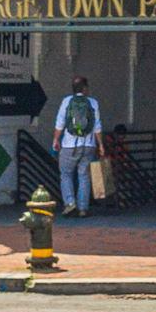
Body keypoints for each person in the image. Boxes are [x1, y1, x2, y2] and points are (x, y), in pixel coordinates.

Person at [51, 76, 103, 217]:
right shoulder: (93, 103)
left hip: (69, 145)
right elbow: (97, 126)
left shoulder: (67, 102)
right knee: (84, 176)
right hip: (88, 146)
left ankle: (70, 203)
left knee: (66, 174)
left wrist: (56, 139)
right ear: (85, 88)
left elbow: (60, 123)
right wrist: (101, 145)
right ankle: (83, 208)